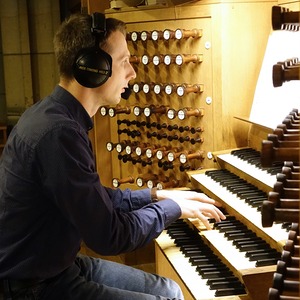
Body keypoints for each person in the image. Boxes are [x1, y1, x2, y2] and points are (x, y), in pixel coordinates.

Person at [0, 12, 226, 300]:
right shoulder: (58, 133)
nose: (132, 73)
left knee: (168, 289)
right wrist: (173, 210)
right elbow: (110, 235)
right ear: (93, 68)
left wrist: (157, 196)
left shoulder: (57, 116)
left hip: (60, 266)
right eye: (123, 62)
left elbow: (96, 200)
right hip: (33, 286)